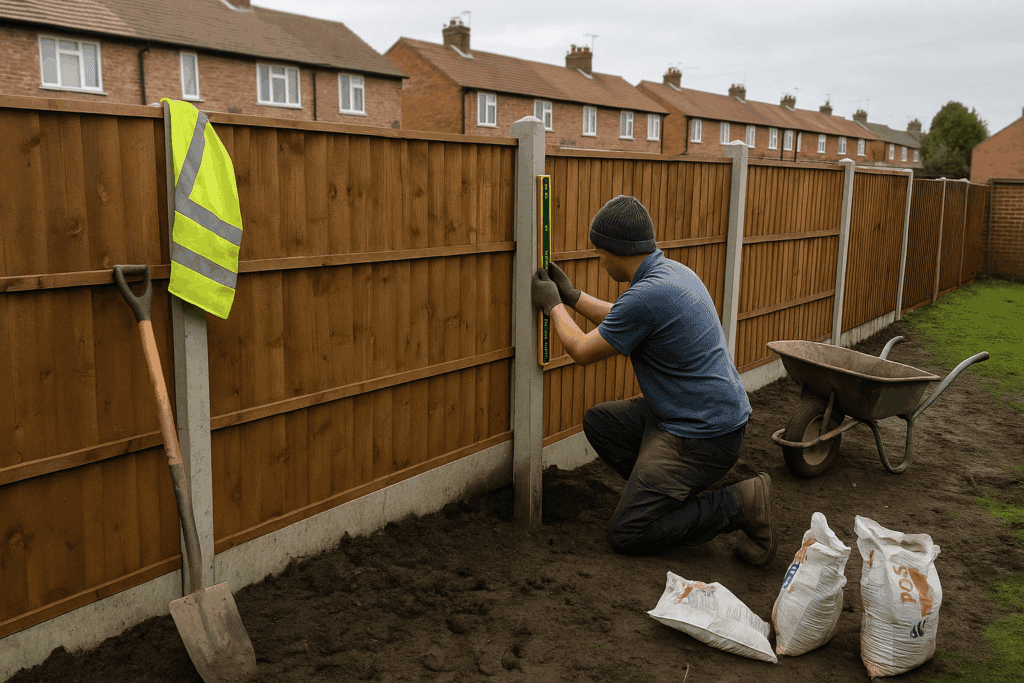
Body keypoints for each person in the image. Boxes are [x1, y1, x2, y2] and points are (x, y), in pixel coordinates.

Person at [530, 195, 778, 565]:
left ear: (616, 250)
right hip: (699, 415)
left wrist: (553, 306)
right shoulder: (673, 274)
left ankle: (739, 503)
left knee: (627, 533)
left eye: (600, 253)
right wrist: (573, 297)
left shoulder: (649, 295)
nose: (600, 260)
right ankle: (661, 496)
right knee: (602, 422)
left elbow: (581, 349)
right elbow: (624, 316)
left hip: (703, 434)